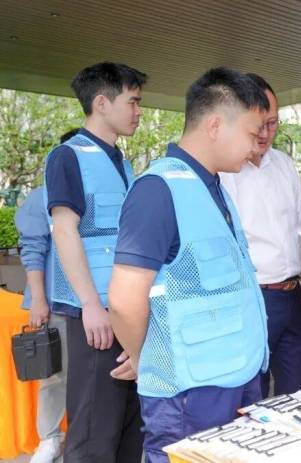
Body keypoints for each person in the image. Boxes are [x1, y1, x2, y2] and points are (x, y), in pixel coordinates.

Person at [108, 68, 270, 463]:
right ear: (215, 125)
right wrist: (147, 360)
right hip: (190, 396)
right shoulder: (158, 190)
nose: (257, 145)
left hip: (238, 377)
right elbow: (125, 300)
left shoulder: (213, 187)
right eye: (252, 133)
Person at [43, 63, 145, 462]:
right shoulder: (67, 157)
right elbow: (64, 230)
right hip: (96, 315)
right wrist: (89, 305)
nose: (138, 111)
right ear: (101, 103)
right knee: (92, 433)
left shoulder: (122, 162)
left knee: (129, 428)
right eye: (132, 102)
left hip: (125, 308)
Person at [220, 73, 301, 398]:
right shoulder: (224, 172)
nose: (266, 133)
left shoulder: (284, 165)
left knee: (297, 394)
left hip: (292, 295)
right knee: (252, 395)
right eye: (259, 124)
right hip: (252, 296)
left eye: (273, 123)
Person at [14, 126, 75, 463]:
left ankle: (81, 436)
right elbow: (33, 249)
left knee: (92, 374)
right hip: (55, 301)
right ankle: (50, 438)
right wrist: (38, 298)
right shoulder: (42, 196)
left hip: (95, 302)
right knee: (54, 374)